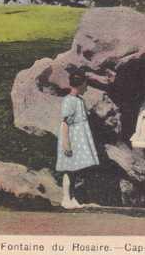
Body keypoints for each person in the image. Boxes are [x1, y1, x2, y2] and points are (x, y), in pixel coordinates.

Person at [56, 70, 100, 210]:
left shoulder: (79, 100)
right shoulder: (69, 101)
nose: (86, 88)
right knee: (69, 170)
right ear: (80, 85)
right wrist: (66, 144)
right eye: (85, 85)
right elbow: (64, 123)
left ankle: (73, 198)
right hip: (72, 139)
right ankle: (65, 198)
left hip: (80, 139)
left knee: (75, 170)